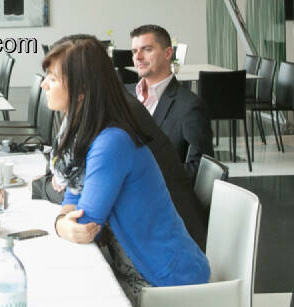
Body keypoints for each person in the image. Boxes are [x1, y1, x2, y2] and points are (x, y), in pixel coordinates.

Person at [46, 35, 209, 305]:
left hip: (165, 281)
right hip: (137, 270)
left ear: (81, 89)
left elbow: (86, 225)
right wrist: (63, 221)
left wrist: (61, 224)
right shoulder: (89, 133)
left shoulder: (111, 142)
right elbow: (74, 194)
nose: (44, 85)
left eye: (52, 78)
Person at [128, 24, 213, 178]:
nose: (138, 57)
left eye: (147, 49)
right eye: (134, 51)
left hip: (162, 191)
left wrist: (144, 176)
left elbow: (201, 169)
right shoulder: (124, 95)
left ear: (168, 53)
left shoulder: (189, 106)